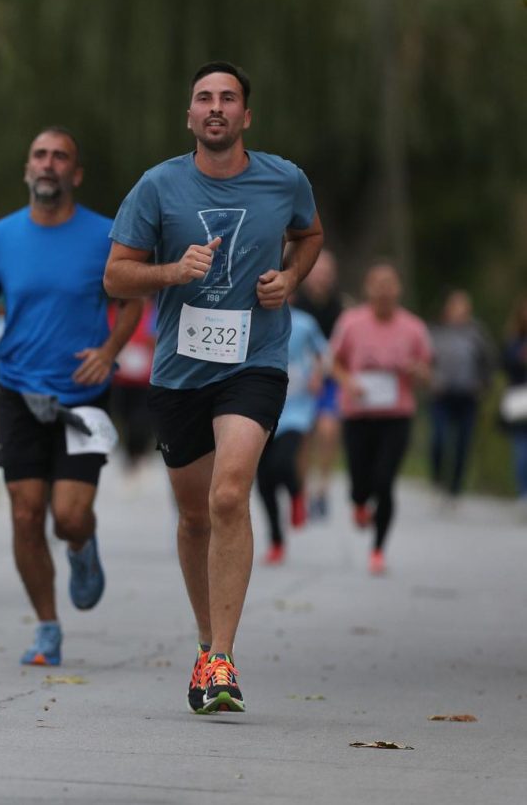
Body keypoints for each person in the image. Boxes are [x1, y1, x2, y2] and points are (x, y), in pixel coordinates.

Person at [104, 61, 324, 714]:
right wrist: (172, 271)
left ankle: (222, 659)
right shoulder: (158, 187)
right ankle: (206, 641)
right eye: (205, 99)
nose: (217, 108)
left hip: (254, 361)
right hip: (180, 373)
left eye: (229, 99)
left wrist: (291, 277)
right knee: (195, 514)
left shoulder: (284, 179)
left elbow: (310, 236)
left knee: (232, 494)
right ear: (191, 116)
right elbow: (118, 276)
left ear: (246, 116)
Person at [0, 127, 143, 667]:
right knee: (24, 514)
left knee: (68, 516)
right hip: (17, 389)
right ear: (27, 170)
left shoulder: (107, 236)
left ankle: (83, 547)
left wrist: (109, 351)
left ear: (75, 174)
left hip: (84, 394)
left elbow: (131, 303)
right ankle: (47, 627)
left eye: (60, 157)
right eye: (39, 155)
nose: (48, 164)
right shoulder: (0, 236)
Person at [329, 263, 432, 575]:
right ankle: (359, 503)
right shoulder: (351, 322)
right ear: (367, 288)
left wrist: (417, 371)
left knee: (385, 482)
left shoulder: (413, 327)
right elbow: (334, 362)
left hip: (396, 415)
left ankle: (377, 549)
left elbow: (427, 372)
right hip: (358, 414)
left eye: (390, 283)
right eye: (378, 283)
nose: (384, 289)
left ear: (399, 289)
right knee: (360, 482)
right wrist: (349, 383)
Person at [256, 302, 327, 565]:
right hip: (260, 409)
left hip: (296, 410)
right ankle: (276, 541)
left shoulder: (305, 322)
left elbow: (324, 353)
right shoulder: (249, 316)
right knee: (264, 482)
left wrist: (318, 375)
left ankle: (297, 493)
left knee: (284, 462)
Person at [428, 289, 496, 501]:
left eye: (463, 308)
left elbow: (489, 362)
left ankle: (455, 488)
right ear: (447, 310)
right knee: (439, 438)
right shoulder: (436, 332)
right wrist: (430, 380)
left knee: (462, 443)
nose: (459, 312)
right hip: (441, 394)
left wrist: (483, 384)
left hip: (467, 396)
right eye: (455, 307)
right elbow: (424, 359)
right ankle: (437, 477)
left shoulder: (477, 333)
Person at [293, 250, 344, 520]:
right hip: (299, 379)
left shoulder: (341, 307)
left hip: (329, 378)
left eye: (327, 272)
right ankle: (300, 491)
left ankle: (322, 487)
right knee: (302, 437)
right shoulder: (296, 303)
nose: (322, 277)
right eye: (318, 271)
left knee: (328, 430)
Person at [107, 299, 158, 474]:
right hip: (121, 379)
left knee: (141, 420)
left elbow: (156, 338)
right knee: (122, 416)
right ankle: (129, 452)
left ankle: (139, 452)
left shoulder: (154, 311)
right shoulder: (116, 310)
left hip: (145, 380)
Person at [501, 296, 527, 518]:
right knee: (521, 448)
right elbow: (505, 364)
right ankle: (523, 494)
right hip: (521, 399)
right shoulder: (514, 341)